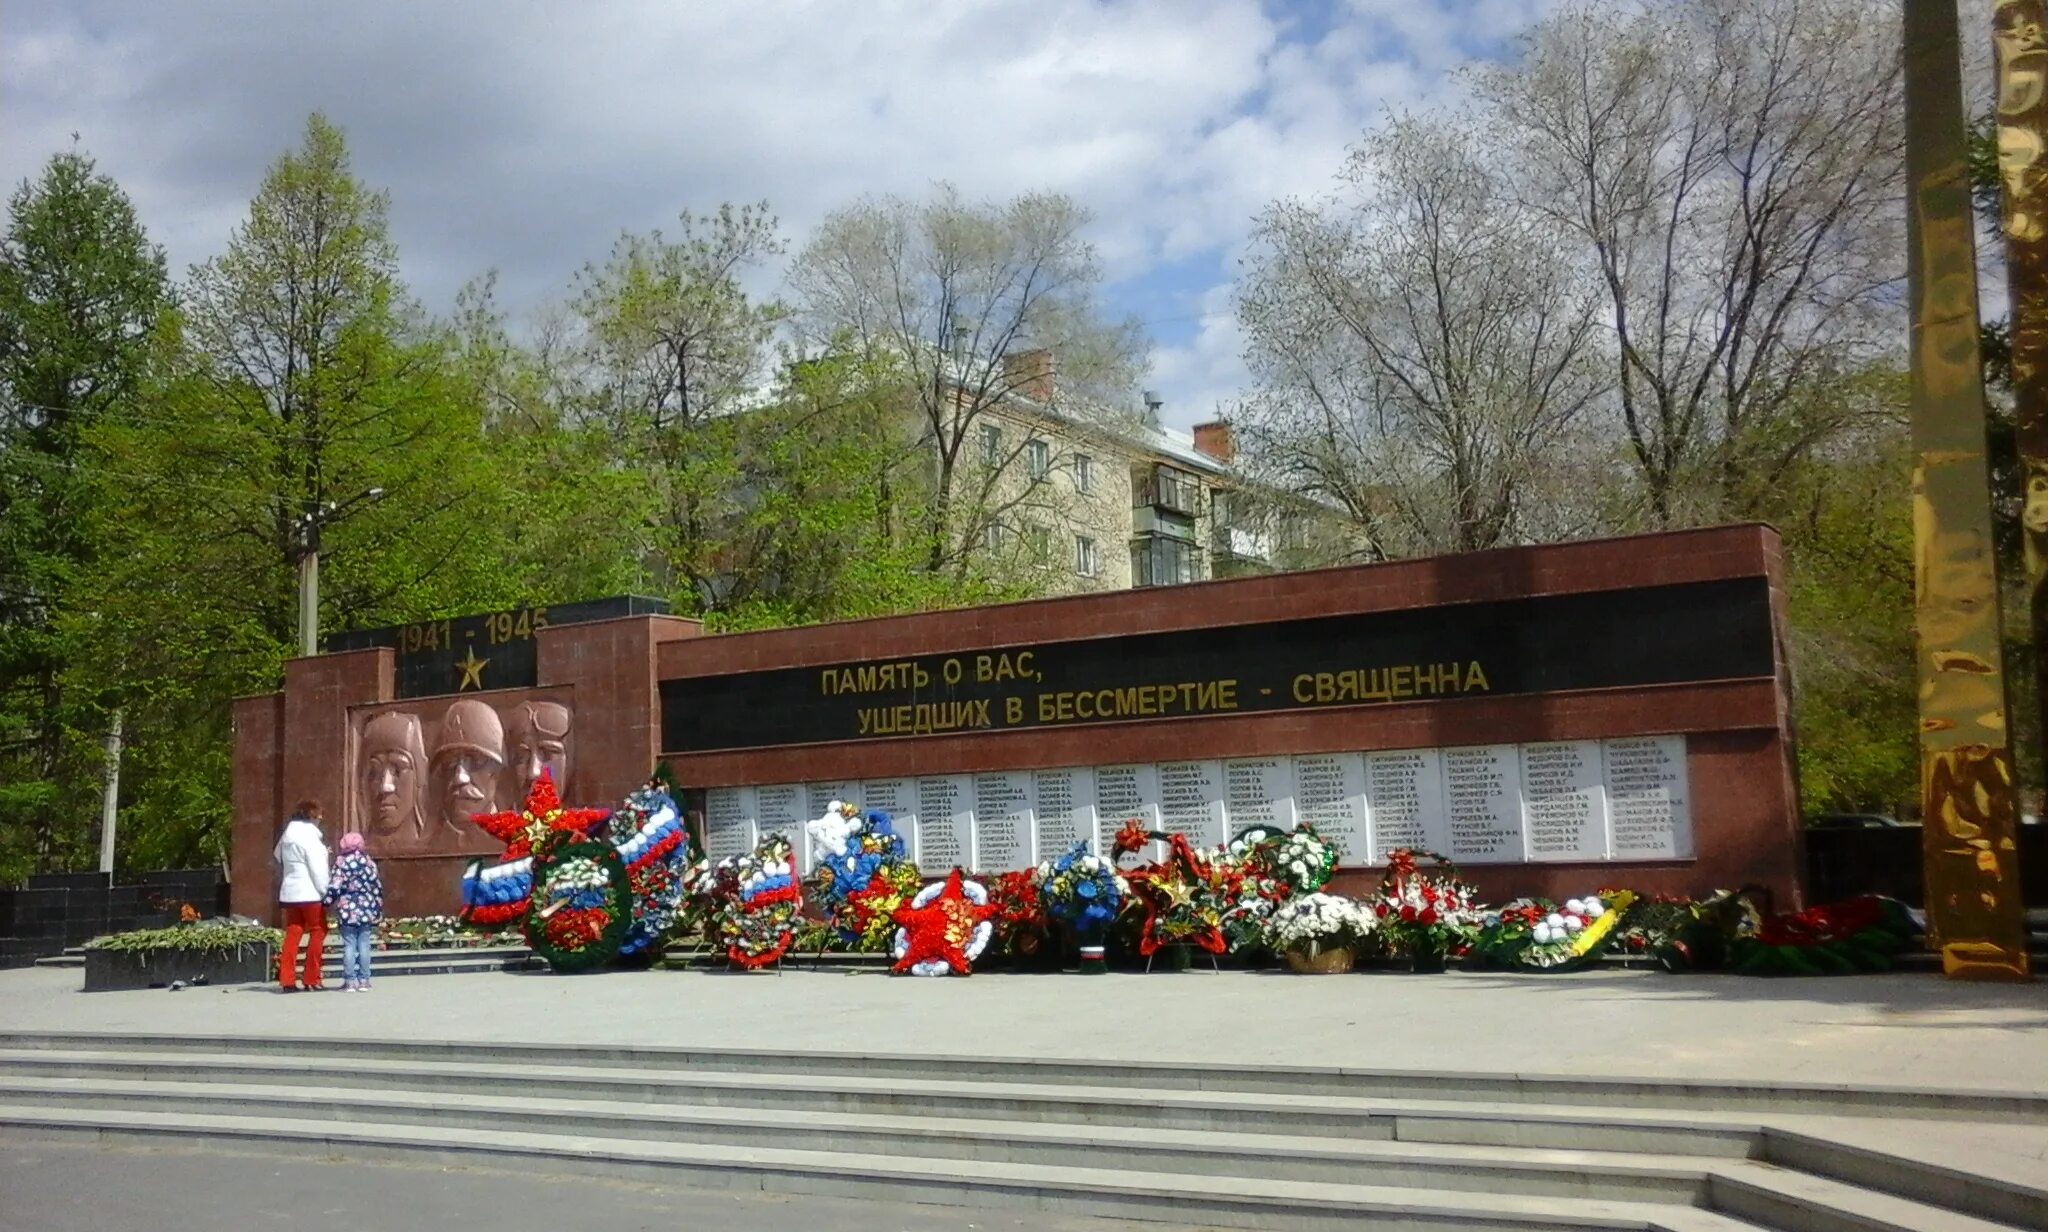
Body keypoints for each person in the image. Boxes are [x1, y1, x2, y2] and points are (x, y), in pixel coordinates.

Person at [274, 799, 331, 991]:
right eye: (319, 815)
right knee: (318, 930)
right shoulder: (309, 837)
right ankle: (311, 978)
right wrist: (325, 891)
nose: (321, 818)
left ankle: (287, 979)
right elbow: (318, 869)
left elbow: (277, 855)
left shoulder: (287, 835)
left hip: (290, 892)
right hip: (310, 892)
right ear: (311, 816)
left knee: (293, 931)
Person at [326, 831, 383, 992]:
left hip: (347, 908)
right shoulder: (368, 862)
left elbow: (335, 886)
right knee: (364, 944)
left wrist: (327, 902)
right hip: (366, 907)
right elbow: (377, 886)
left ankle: (350, 981)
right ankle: (364, 980)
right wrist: (377, 906)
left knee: (349, 945)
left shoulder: (341, 863)